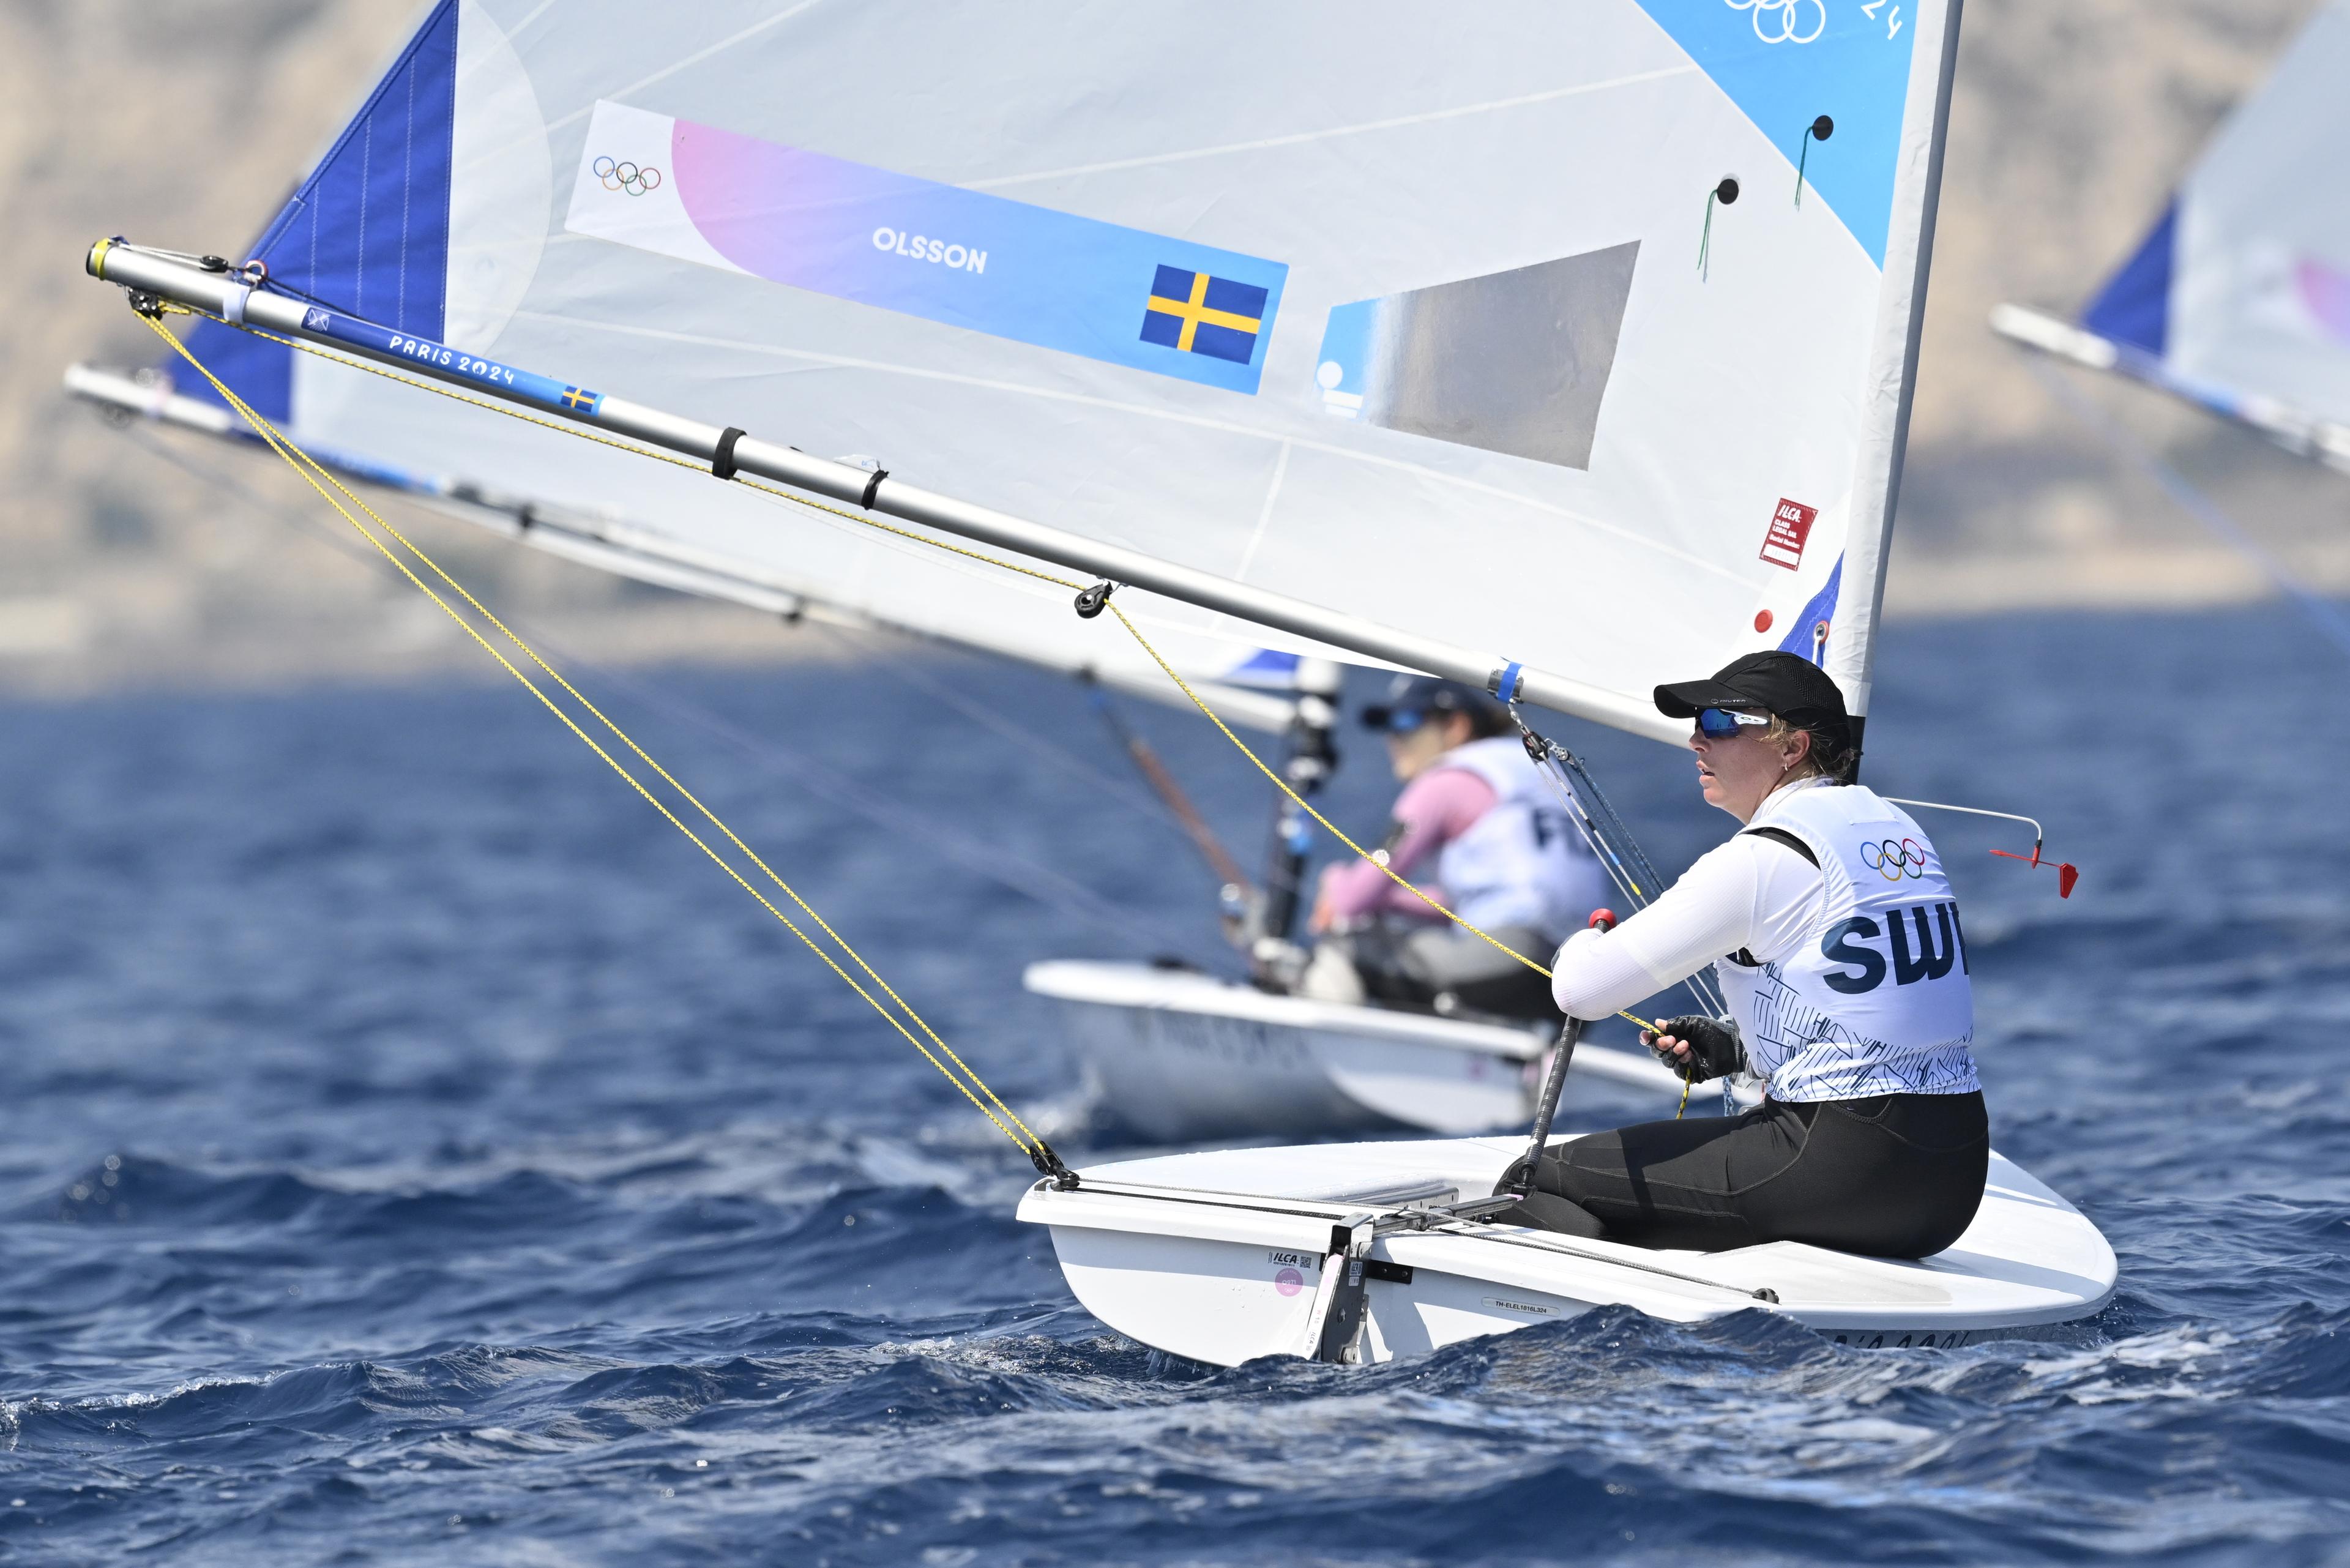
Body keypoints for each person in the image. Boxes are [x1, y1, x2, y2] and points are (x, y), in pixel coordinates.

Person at [1493, 651, 1988, 1260]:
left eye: (1723, 722)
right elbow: (1877, 1008)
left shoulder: (1758, 859)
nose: (1698, 739)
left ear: (1792, 747)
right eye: (1698, 722)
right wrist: (1738, 1048)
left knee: (1538, 1180)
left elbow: (1581, 992)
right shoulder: (1898, 831)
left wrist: (1581, 940)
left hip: (1844, 1173)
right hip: (1952, 1184)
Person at [1301, 675, 1606, 1019]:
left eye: (1407, 722)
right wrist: (1393, 899)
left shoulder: (1447, 782)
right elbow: (1476, 901)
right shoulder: (1539, 775)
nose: (1394, 739)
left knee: (1349, 941)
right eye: (1388, 726)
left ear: (1457, 726)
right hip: (1581, 974)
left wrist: (1336, 877)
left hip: (1508, 958)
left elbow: (1351, 900)